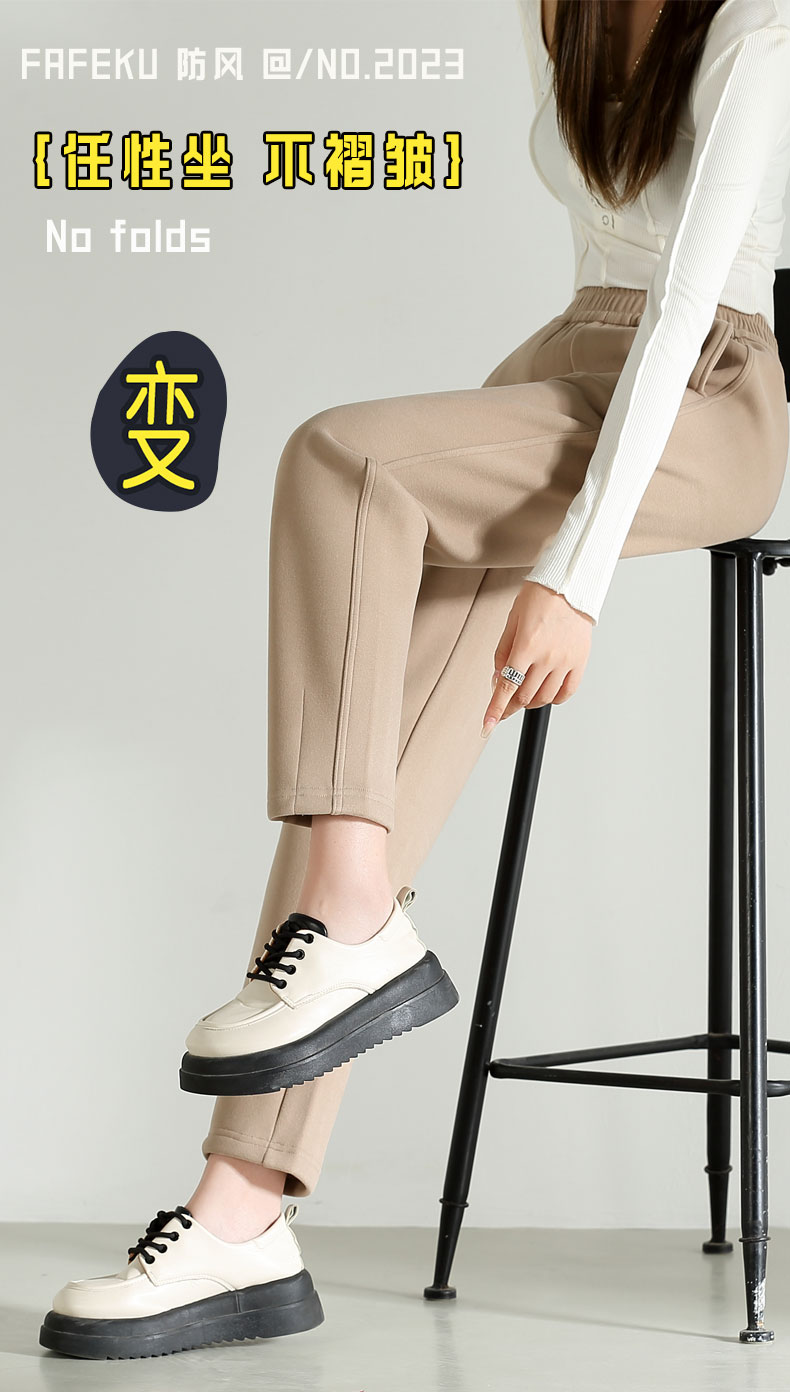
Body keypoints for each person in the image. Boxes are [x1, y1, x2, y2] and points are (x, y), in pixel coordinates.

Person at [40, 0, 790, 1360]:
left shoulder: (756, 24)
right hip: (570, 369)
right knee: (364, 752)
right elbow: (606, 257)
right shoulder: (562, 9)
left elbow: (687, 296)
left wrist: (574, 575)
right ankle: (239, 1219)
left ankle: (349, 919)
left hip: (704, 389)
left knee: (343, 463)